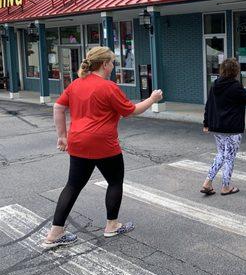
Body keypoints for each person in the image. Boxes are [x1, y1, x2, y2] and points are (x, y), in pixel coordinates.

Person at [43, 46, 163, 249]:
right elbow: (131, 111)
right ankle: (112, 226)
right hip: (104, 144)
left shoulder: (75, 84)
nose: (114, 66)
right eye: (113, 62)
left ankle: (54, 234)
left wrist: (62, 136)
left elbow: (58, 107)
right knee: (115, 181)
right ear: (105, 64)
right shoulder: (109, 87)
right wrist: (152, 99)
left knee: (72, 186)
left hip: (79, 142)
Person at [202, 58, 246, 195]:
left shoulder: (215, 84)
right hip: (232, 128)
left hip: (217, 127)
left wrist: (206, 123)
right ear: (236, 71)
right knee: (229, 157)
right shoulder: (235, 86)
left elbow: (208, 105)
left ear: (222, 70)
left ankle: (208, 182)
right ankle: (225, 187)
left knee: (221, 154)